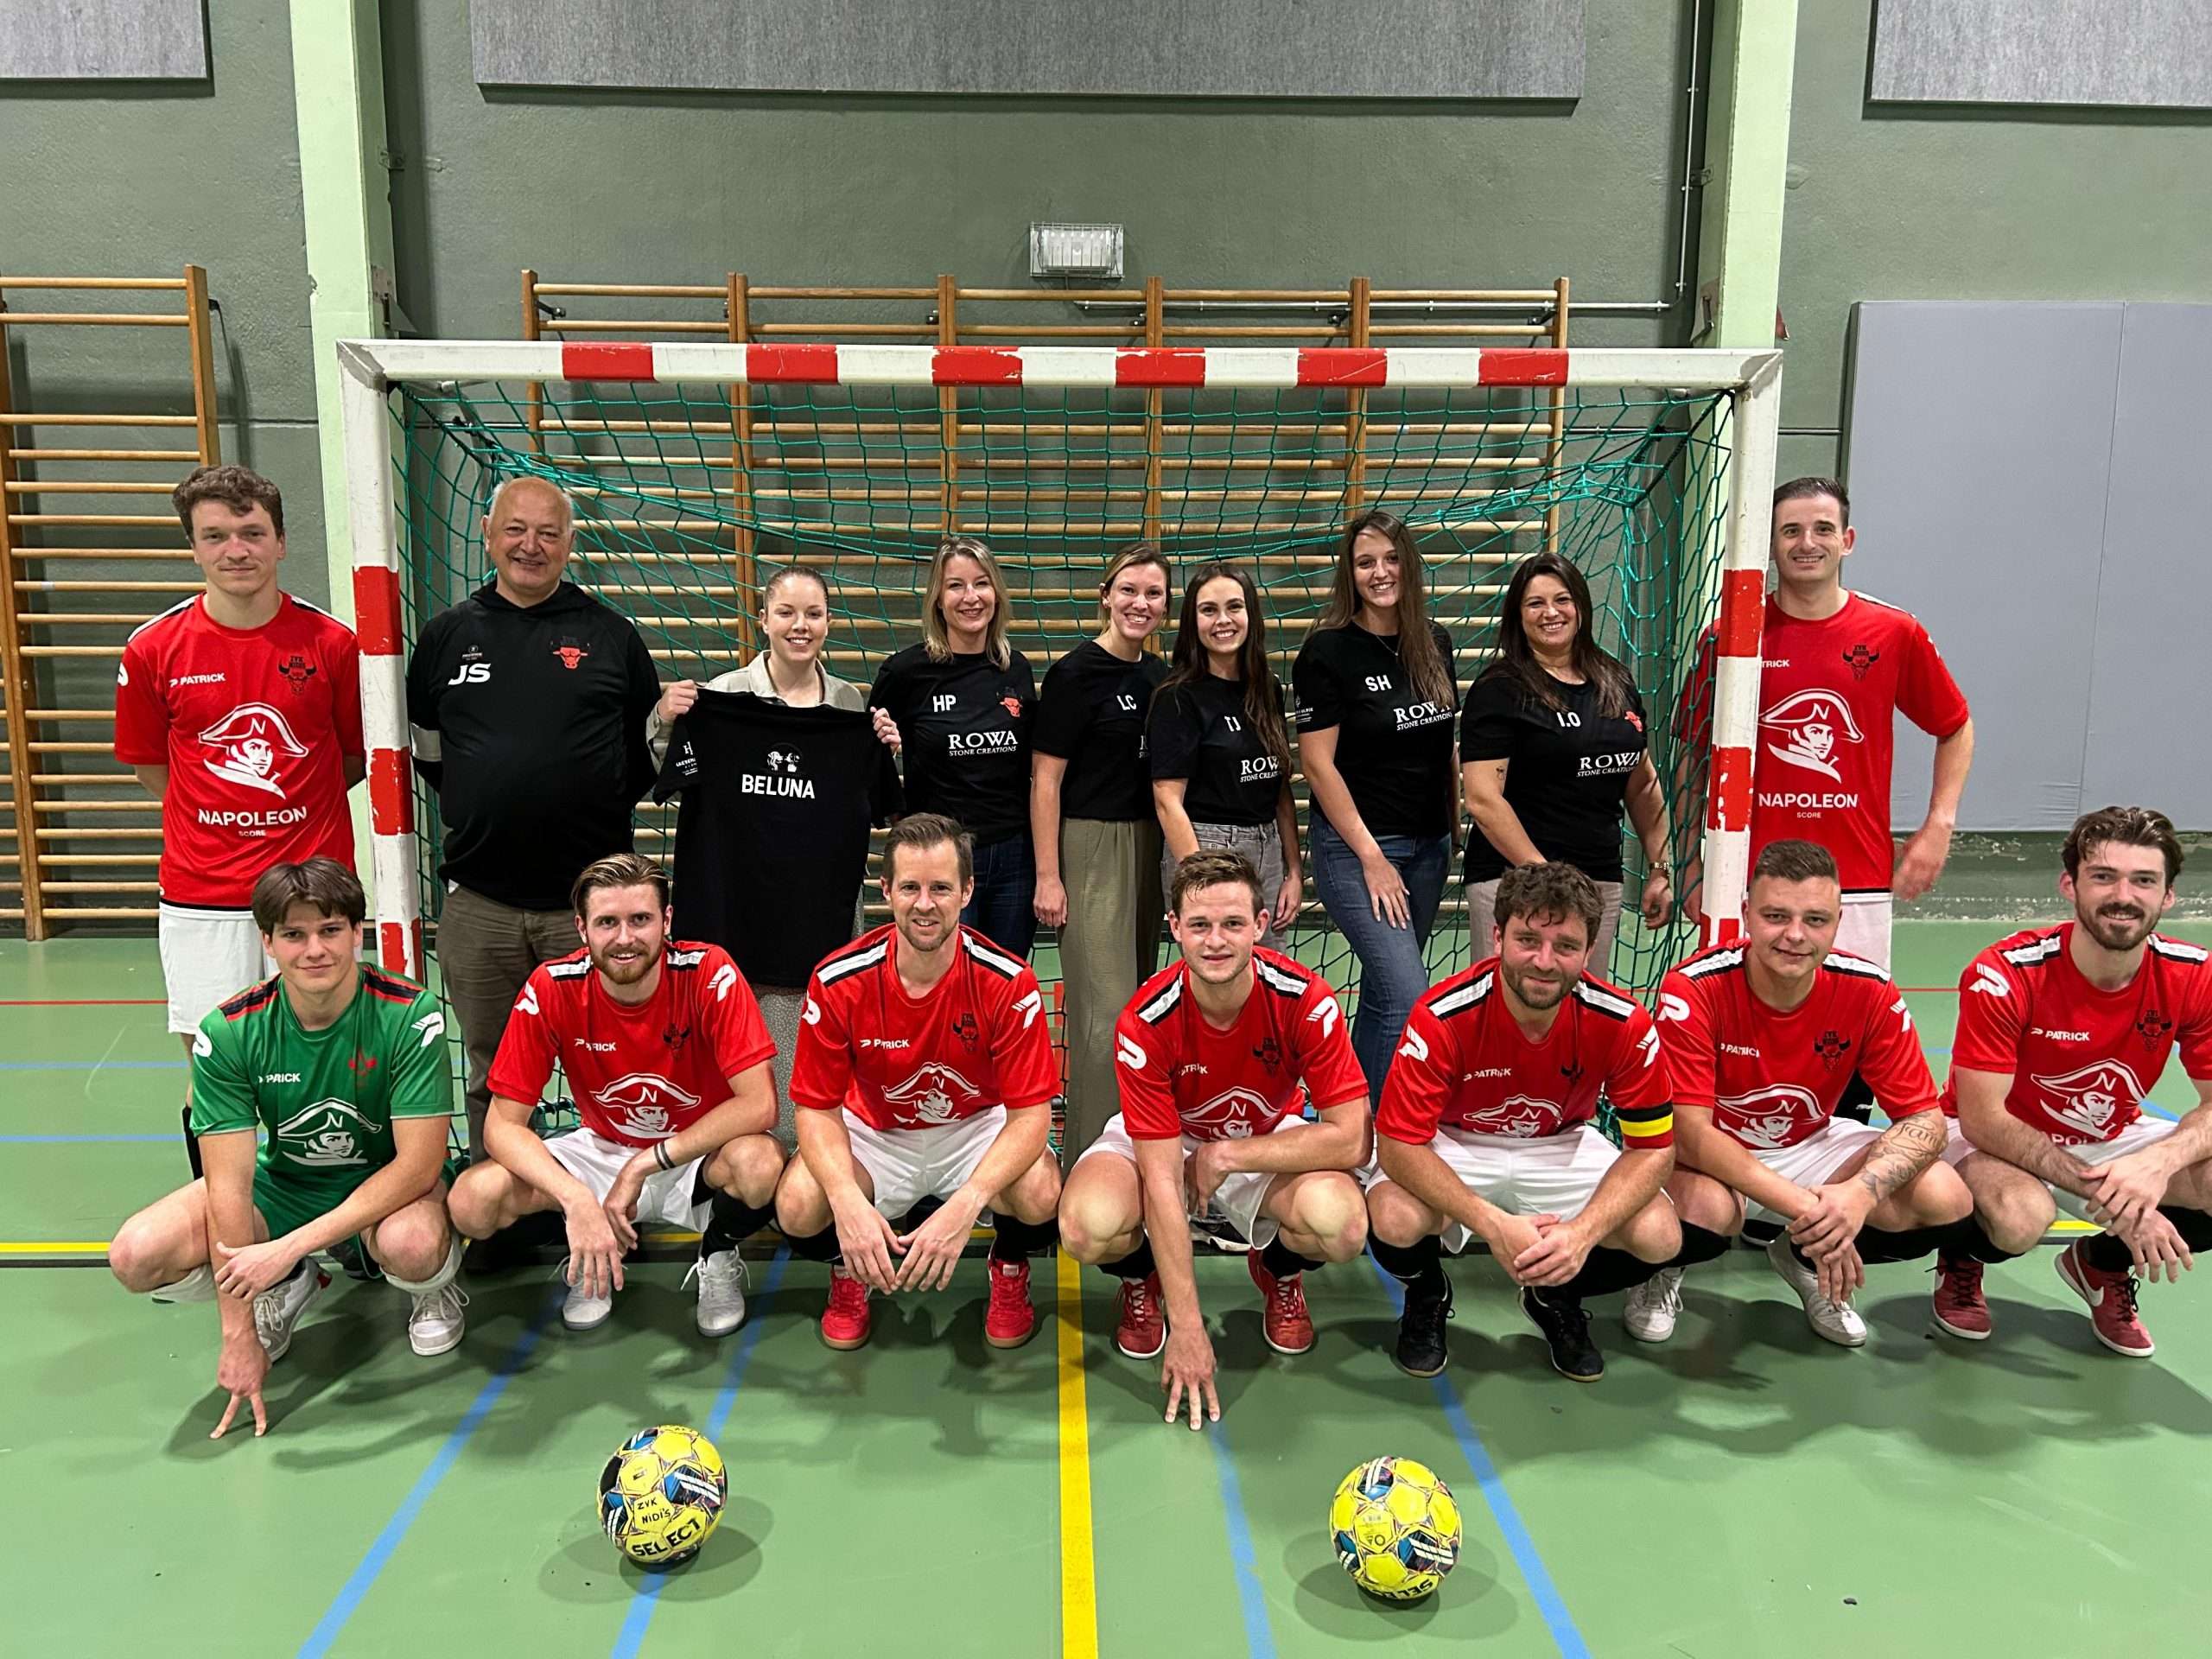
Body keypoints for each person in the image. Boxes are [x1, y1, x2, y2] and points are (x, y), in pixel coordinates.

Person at [106, 860, 463, 1440]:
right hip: (288, 1185)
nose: (314, 949)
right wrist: (238, 1334)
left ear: (357, 932)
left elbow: (418, 1165)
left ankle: (431, 1290)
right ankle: (286, 1282)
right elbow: (227, 1187)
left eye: (330, 930)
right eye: (294, 935)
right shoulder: (229, 1031)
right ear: (267, 941)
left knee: (414, 1245)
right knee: (135, 1254)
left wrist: (288, 1245)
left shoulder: (409, 1014)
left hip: (388, 1183)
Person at [1680, 477, 1973, 1123]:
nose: (1805, 544)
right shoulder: (1728, 636)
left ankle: (1836, 1198)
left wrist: (1937, 826)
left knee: (1849, 1047)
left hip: (1858, 882)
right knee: (1739, 1039)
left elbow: (1954, 724)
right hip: (1744, 878)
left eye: (1820, 530)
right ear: (1771, 542)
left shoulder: (1892, 631)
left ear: (1847, 540)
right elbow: (1693, 758)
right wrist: (1691, 864)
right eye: (1790, 531)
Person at [1058, 850, 1370, 1429]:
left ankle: (1277, 1269)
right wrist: (1189, 1327)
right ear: (1175, 928)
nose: (1216, 941)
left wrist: (1227, 1155)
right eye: (1199, 925)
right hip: (1164, 1143)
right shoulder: (1145, 1021)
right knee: (1085, 1226)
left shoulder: (1306, 999)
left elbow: (1353, 1140)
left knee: (1344, 1225)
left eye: (1232, 924)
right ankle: (1140, 1277)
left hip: (1260, 1137)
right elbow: (1158, 1178)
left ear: (1260, 924)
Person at [406, 474, 661, 1170]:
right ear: (489, 536)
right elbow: (430, 753)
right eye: (515, 529)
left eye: (548, 532)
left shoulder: (611, 636)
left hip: (588, 910)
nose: (531, 545)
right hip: (481, 904)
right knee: (494, 1070)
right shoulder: (446, 637)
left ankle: (611, 1209)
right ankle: (500, 1199)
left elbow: (639, 760)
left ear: (570, 544)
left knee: (607, 1071)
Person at [1637, 839, 1972, 1349]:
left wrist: (1858, 1196)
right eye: (1776, 916)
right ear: (1747, 914)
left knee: (1943, 1196)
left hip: (1808, 1142)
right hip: (1710, 1156)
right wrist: (1814, 1211)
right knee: (1703, 1213)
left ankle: (1800, 1257)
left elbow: (1924, 1121)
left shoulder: (1868, 988)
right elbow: (1690, 1134)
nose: (1795, 936)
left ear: (1837, 923)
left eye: (1815, 920)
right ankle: (1666, 1270)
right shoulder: (1695, 988)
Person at [115, 466, 363, 1130]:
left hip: (315, 893)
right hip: (204, 898)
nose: (236, 550)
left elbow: (351, 759)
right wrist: (222, 815)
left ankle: (325, 1214)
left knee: (332, 1062)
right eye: (216, 536)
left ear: (282, 542)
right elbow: (148, 766)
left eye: (252, 532)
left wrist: (286, 821)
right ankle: (226, 1219)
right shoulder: (152, 648)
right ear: (193, 548)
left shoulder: (333, 644)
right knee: (214, 1069)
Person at [1364, 862, 1680, 1382]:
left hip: (1558, 1142)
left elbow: (1653, 1151)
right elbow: (1398, 1145)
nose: (1544, 962)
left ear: (1589, 948)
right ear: (1497, 936)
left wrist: (1581, 1235)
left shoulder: (1622, 1021)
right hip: (1455, 1140)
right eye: (1528, 940)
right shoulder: (1442, 1015)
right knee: (1394, 1217)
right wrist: (1492, 1224)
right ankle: (1427, 1292)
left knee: (1660, 1236)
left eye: (1566, 946)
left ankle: (1555, 1291)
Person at [448, 854, 785, 1337]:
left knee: (760, 1165)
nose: (625, 938)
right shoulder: (552, 986)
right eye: (607, 922)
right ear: (582, 929)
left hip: (692, 1154)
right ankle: (591, 1252)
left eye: (641, 919)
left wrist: (644, 1164)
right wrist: (575, 1199)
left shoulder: (708, 971)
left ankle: (716, 1252)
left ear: (666, 922)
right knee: (472, 1201)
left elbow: (759, 1104)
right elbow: (501, 1125)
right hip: (601, 1148)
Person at [776, 814, 1064, 1351]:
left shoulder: (1008, 982)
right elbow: (815, 1109)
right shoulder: (838, 980)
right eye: (910, 887)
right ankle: (849, 1268)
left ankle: (1008, 1262)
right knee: (798, 1203)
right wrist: (845, 1202)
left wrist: (968, 1203)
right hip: (878, 1131)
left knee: (1043, 1192)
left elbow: (1032, 1117)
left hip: (974, 1128)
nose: (925, 904)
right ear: (886, 890)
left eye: (940, 888)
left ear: (967, 891)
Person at [1932, 806, 2212, 1357]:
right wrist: (2125, 1202)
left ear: (2169, 895)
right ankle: (1963, 1258)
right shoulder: (2007, 973)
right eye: (2104, 877)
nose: (2123, 896)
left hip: (2106, 1134)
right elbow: (1983, 1117)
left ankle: (2099, 1264)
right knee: (2020, 1218)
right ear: (2070, 884)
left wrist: (2156, 1164)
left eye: (2144, 880)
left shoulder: (2194, 975)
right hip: (1995, 1137)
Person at [645, 564, 893, 1150]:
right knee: (730, 1036)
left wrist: (881, 744)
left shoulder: (849, 704)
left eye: (813, 614)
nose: (800, 626)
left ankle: (806, 1155)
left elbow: (878, 801)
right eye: (786, 612)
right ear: (763, 620)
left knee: (811, 1035)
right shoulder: (722, 698)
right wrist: (667, 718)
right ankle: (732, 1162)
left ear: (830, 623)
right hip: (734, 900)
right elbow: (661, 770)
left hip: (817, 905)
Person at [1295, 511, 1461, 1095]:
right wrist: (1371, 857)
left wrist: (1453, 826)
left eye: (1391, 559)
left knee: (1384, 994)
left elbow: (1444, 747)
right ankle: (1387, 1131)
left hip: (1428, 847)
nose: (1380, 572)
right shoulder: (1329, 651)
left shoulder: (1434, 642)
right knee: (1406, 992)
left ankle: (1355, 1124)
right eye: (1366, 562)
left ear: (1408, 566)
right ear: (1350, 573)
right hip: (1360, 851)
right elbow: (1317, 764)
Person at [1460, 550, 1674, 975]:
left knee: (1584, 1013)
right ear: (1517, 616)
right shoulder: (1499, 689)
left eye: (1562, 600)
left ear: (1580, 606)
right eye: (1535, 603)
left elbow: (1642, 784)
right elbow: (1483, 799)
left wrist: (1660, 868)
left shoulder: (1615, 681)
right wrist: (1547, 880)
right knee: (1510, 1011)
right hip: (1515, 882)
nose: (1550, 613)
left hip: (1598, 882)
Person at [1031, 543, 1173, 1161]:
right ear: (1105, 594)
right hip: (1089, 846)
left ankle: (1135, 1149)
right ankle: (1089, 1160)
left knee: (1142, 1007)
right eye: (1129, 591)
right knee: (1103, 1016)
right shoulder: (1074, 674)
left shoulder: (1160, 676)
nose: (1140, 604)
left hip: (1151, 843)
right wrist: (1049, 875)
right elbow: (1045, 780)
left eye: (1153, 594)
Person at [868, 536, 1039, 956]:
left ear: (996, 594)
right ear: (938, 600)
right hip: (939, 858)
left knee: (1007, 981)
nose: (970, 597)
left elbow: (1035, 770)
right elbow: (867, 756)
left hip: (1014, 857)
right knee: (945, 982)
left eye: (981, 584)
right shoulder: (906, 672)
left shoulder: (1014, 668)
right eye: (955, 586)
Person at [1147, 563, 1302, 930]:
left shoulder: (1267, 689)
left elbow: (1279, 789)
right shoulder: (1178, 697)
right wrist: (1203, 881)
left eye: (1234, 607)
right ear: (1192, 621)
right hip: (1206, 845)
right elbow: (1167, 801)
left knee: (1265, 974)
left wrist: (1293, 871)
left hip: (1267, 848)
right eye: (1208, 610)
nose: (1223, 620)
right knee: (1216, 969)